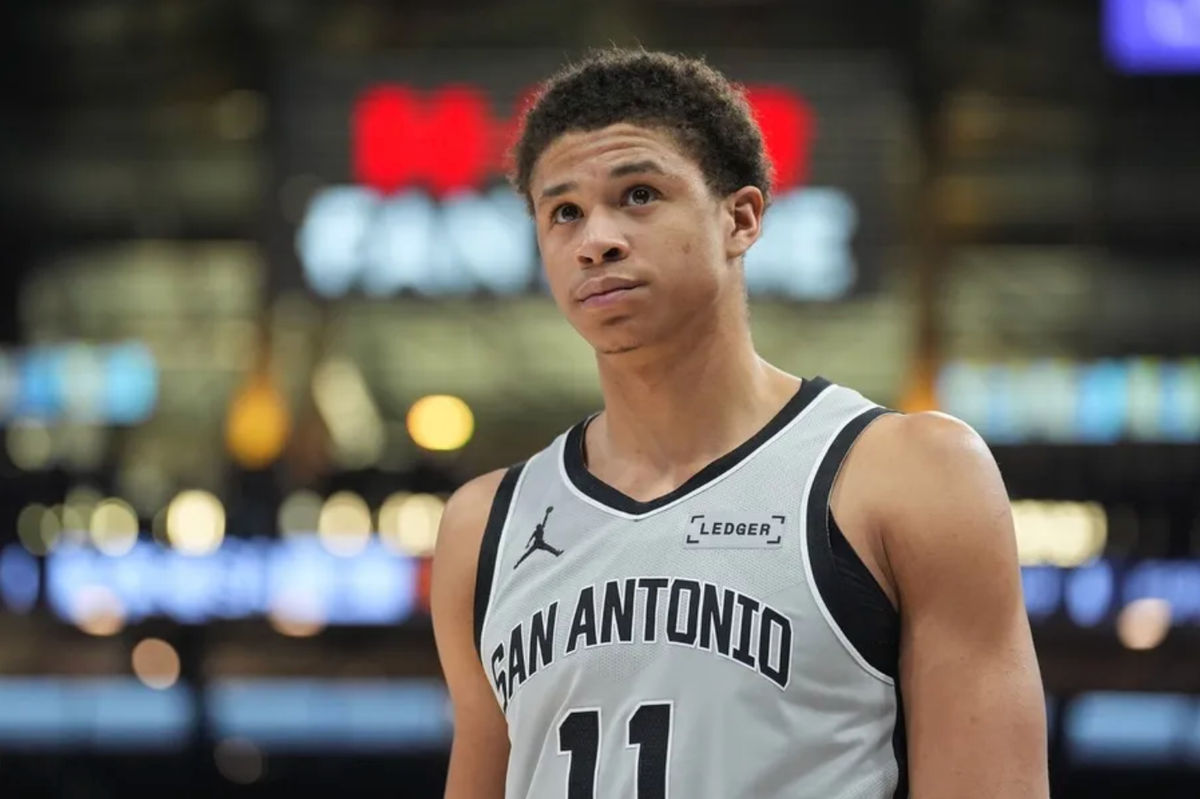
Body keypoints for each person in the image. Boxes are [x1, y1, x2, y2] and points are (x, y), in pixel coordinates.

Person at [432, 48, 1048, 799]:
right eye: (564, 212)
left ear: (742, 217)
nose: (597, 238)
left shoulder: (907, 473)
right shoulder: (483, 526)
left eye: (638, 194)